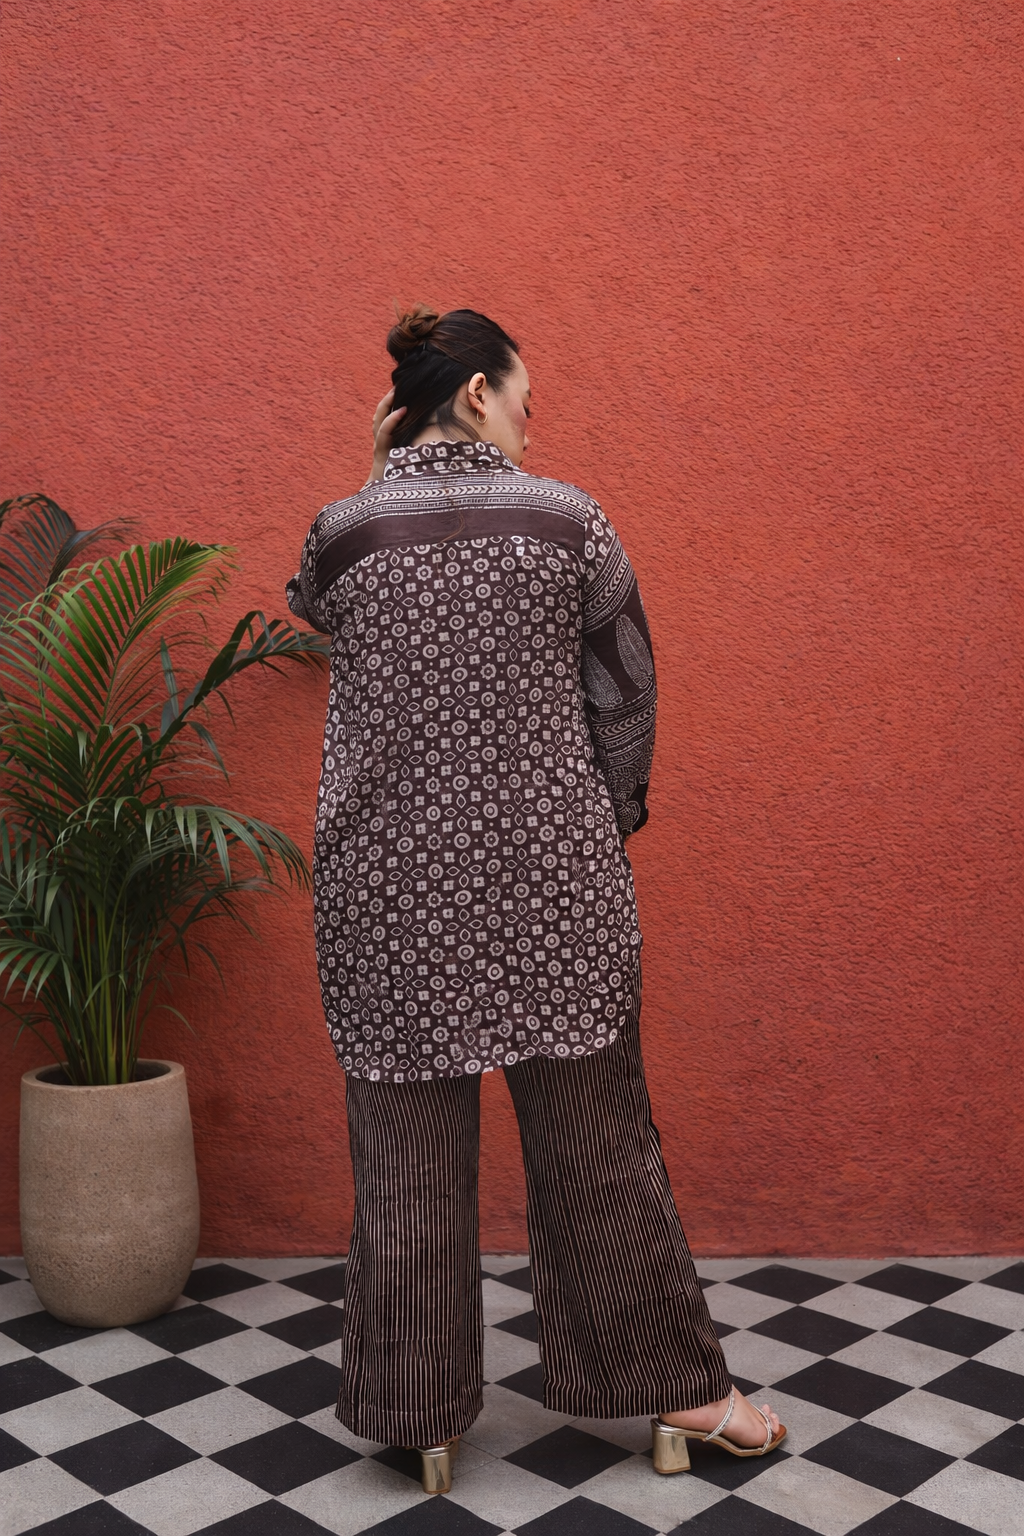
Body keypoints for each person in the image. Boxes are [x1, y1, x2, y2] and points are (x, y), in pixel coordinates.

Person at [287, 305, 785, 1492]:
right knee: (598, 1146)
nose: (527, 422)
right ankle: (680, 1393)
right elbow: (626, 689)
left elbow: (313, 603)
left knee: (403, 1157)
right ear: (477, 394)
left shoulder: (345, 532)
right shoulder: (569, 520)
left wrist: (376, 474)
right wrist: (599, 821)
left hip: (387, 896)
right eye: (521, 399)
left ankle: (420, 1417)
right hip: (554, 889)